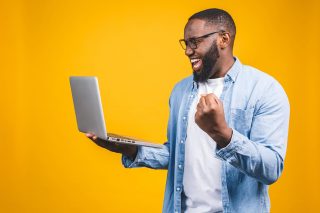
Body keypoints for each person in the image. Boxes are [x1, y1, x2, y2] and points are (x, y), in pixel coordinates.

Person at [86, 8, 290, 213]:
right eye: (185, 43)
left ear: (224, 39)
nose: (187, 51)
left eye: (195, 42)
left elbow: (271, 169)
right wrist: (130, 149)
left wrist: (222, 134)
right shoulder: (181, 91)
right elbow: (178, 156)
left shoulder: (264, 89)